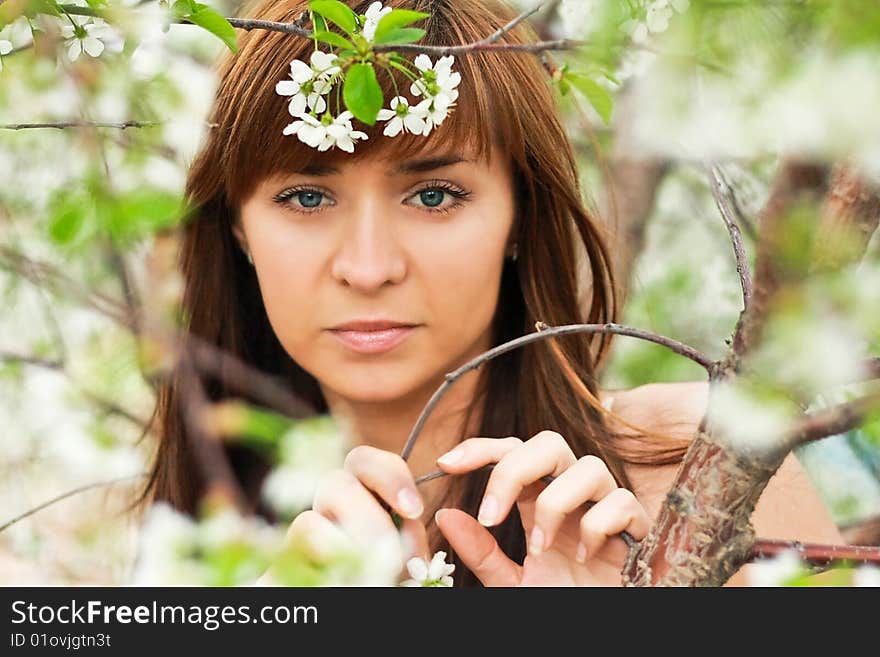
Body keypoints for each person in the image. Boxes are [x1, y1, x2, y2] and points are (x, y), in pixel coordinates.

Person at [138, 0, 843, 586]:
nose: (369, 265)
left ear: (519, 213)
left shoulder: (692, 462)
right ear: (237, 228)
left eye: (435, 193)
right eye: (307, 195)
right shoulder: (197, 556)